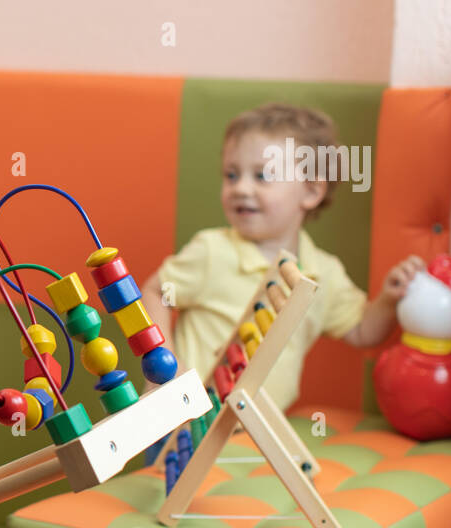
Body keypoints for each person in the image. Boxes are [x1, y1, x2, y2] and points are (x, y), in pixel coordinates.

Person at [140, 103, 424, 414]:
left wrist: (388, 300)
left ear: (312, 191)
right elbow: (156, 290)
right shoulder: (212, 251)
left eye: (262, 175)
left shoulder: (323, 272)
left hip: (259, 433)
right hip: (184, 428)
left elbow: (360, 329)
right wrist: (165, 364)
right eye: (231, 175)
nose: (241, 188)